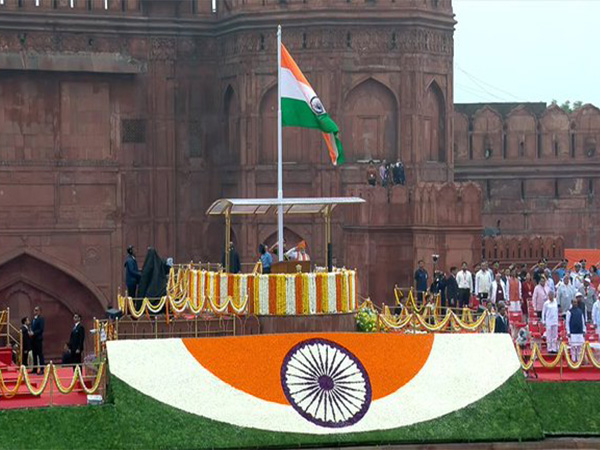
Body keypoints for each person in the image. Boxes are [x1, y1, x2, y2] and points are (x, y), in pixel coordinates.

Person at [566, 294, 586, 362]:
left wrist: (584, 330)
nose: (575, 303)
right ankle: (573, 360)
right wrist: (568, 332)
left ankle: (579, 360)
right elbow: (567, 322)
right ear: (572, 303)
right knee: (573, 347)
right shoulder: (569, 312)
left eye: (576, 302)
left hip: (580, 332)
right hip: (572, 332)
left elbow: (582, 321)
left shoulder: (580, 311)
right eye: (574, 302)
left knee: (579, 347)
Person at [30, 306, 45, 375]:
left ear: (39, 311)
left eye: (36, 310)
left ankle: (42, 369)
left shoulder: (41, 319)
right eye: (34, 310)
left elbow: (41, 329)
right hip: (33, 340)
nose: (35, 311)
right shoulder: (33, 319)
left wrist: (34, 333)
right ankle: (35, 369)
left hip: (38, 339)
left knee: (40, 354)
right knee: (34, 355)